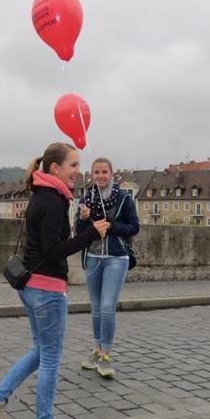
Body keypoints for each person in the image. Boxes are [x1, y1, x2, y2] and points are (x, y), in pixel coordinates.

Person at [0, 143, 109, 419]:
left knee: (40, 351)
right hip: (47, 290)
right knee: (50, 357)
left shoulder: (42, 194)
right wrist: (91, 234)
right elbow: (53, 250)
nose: (78, 171)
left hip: (31, 286)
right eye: (73, 165)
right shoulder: (53, 200)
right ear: (55, 168)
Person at [76, 158, 139, 378]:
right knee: (95, 307)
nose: (100, 176)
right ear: (92, 175)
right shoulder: (86, 198)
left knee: (106, 306)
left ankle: (105, 355)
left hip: (116, 257)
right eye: (97, 172)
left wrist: (110, 226)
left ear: (111, 174)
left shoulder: (123, 198)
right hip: (93, 257)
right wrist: (83, 219)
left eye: (104, 172)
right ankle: (96, 349)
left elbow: (134, 227)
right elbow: (79, 230)